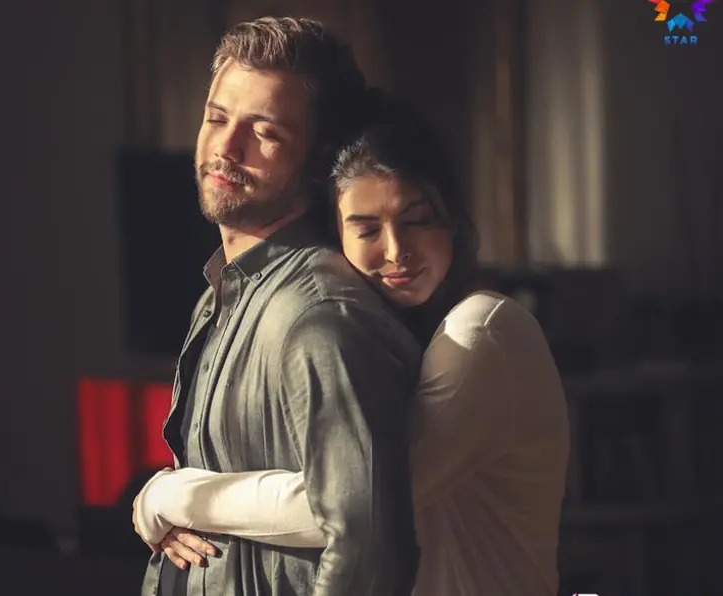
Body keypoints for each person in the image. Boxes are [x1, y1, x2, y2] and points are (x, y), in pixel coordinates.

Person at [134, 94, 570, 596]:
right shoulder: (386, 337)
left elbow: (354, 504)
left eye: (417, 220)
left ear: (452, 222)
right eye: (367, 229)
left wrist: (174, 495)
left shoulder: (485, 330)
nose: (396, 250)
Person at [135, 17, 423, 596]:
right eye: (217, 118)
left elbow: (370, 547)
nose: (226, 147)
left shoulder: (320, 316)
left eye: (263, 131)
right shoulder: (221, 291)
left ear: (318, 161)